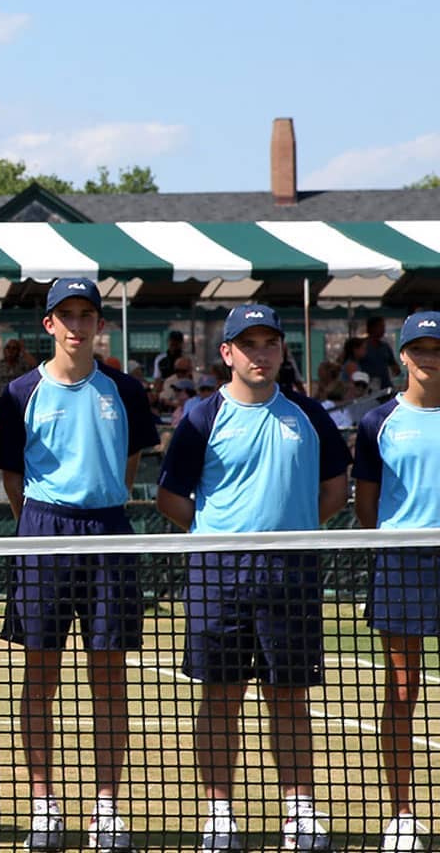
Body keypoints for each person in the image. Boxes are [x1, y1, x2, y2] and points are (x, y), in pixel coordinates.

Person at [156, 303, 349, 853]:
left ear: (281, 350)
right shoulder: (199, 416)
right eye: (248, 344)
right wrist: (223, 536)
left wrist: (292, 531)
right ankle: (220, 816)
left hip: (292, 574)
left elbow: (335, 490)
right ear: (227, 354)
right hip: (217, 574)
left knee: (289, 698)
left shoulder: (310, 416)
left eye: (268, 344)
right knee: (221, 697)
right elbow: (171, 498)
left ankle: (301, 815)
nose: (259, 354)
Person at [0, 280, 157, 851]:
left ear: (98, 323)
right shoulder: (18, 393)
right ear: (49, 324)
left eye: (87, 314)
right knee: (40, 676)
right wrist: (41, 523)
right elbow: (12, 476)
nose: (77, 325)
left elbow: (131, 461)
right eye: (67, 315)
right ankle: (44, 805)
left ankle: (106, 808)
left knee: (109, 677)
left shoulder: (127, 390)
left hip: (109, 530)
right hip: (42, 530)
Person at [352, 312, 440, 852]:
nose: (430, 356)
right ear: (403, 355)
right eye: (420, 348)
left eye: (438, 347)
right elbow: (366, 506)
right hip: (402, 562)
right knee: (403, 689)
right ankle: (402, 815)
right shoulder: (377, 422)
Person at [360, 316, 402, 388]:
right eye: (380, 326)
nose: (383, 329)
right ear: (372, 328)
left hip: (385, 388)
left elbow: (395, 367)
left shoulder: (385, 347)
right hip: (366, 389)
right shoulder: (361, 346)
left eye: (383, 327)